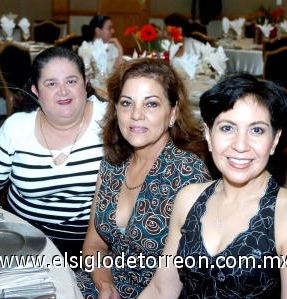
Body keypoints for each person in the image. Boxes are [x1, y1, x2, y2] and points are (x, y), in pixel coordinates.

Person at [139, 72, 287, 298]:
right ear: (208, 135)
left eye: (257, 130)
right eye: (227, 128)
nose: (240, 145)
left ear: (274, 140)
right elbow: (161, 290)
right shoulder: (188, 199)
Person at [76, 58, 212, 299]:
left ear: (173, 112)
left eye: (151, 104)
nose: (136, 115)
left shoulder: (189, 175)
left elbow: (189, 277)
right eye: (127, 103)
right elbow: (94, 244)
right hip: (102, 282)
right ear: (116, 109)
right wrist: (104, 283)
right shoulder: (113, 163)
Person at [0, 46, 107, 258]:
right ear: (35, 91)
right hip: (20, 242)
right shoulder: (17, 127)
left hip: (86, 248)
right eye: (51, 84)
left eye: (71, 81)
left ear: (85, 84)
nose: (63, 91)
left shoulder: (110, 123)